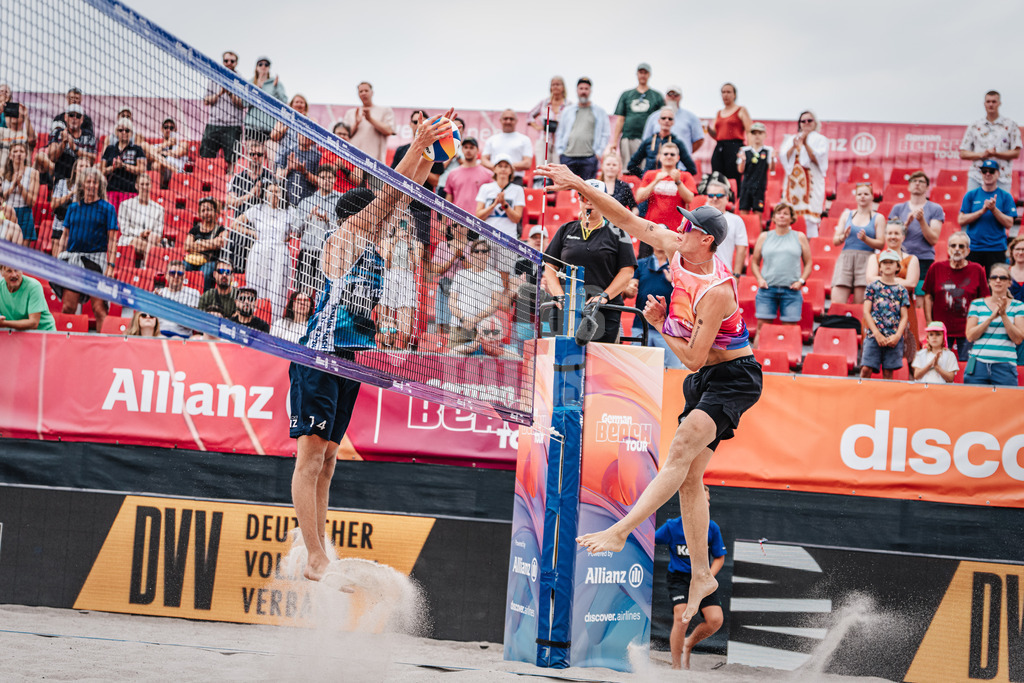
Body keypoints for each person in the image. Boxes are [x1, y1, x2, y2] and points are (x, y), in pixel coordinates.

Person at [535, 163, 760, 628]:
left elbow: (695, 358)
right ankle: (701, 575)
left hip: (735, 377)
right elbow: (629, 221)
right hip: (705, 381)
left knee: (677, 451)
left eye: (691, 226)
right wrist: (580, 186)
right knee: (692, 478)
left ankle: (620, 531)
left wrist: (658, 325)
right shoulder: (678, 246)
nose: (682, 227)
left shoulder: (718, 290)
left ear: (708, 242)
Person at [287, 112, 451, 582]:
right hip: (319, 354)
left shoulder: (372, 247)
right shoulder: (342, 238)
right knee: (310, 455)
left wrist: (426, 153)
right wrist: (415, 144)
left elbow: (404, 198)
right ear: (359, 217)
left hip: (349, 357)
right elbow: (391, 198)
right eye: (377, 217)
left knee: (331, 458)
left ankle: (315, 543)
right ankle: (316, 556)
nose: (385, 223)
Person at [543, 178, 637, 344]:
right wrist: (558, 294)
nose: (589, 203)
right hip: (567, 308)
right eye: (585, 198)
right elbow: (550, 265)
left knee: (599, 365)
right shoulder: (566, 229)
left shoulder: (619, 233)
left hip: (604, 310)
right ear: (579, 200)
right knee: (564, 360)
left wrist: (604, 297)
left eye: (595, 198)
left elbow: (627, 271)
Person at [655, 485, 726, 670]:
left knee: (716, 620)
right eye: (704, 500)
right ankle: (676, 667)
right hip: (680, 579)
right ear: (689, 502)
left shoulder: (712, 527)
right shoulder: (672, 527)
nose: (707, 504)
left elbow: (720, 557)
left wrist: (707, 577)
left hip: (702, 577)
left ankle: (688, 643)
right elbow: (649, 538)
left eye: (708, 501)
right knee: (682, 617)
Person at [60, 167, 117, 332]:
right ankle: (64, 345)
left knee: (99, 310)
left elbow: (113, 239)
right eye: (88, 181)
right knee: (68, 308)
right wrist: (57, 259)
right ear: (82, 184)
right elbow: (65, 235)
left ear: (99, 185)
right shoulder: (73, 208)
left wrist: (111, 265)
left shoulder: (108, 208)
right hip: (73, 261)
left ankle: (103, 348)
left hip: (96, 262)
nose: (91, 185)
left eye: (95, 182)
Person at [749, 202, 812, 345]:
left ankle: (787, 362)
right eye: (779, 213)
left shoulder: (799, 237)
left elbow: (809, 263)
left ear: (791, 218)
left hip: (791, 291)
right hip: (767, 290)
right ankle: (757, 362)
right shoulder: (764, 236)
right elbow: (754, 262)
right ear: (774, 217)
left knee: (790, 330)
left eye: (786, 213)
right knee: (762, 329)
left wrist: (801, 281)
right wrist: (759, 279)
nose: (782, 216)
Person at [923, 232, 989, 361]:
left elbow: (984, 300)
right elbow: (928, 296)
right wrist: (930, 323)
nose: (957, 249)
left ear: (968, 250)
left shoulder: (977, 270)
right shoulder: (936, 268)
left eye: (961, 246)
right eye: (953, 246)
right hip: (940, 330)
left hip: (968, 330)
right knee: (939, 365)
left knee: (966, 367)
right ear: (948, 249)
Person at [233, 182, 291, 318]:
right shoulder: (257, 209)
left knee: (277, 289)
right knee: (256, 285)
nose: (274, 194)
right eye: (271, 191)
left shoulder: (289, 212)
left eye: (277, 191)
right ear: (265, 193)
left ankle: (275, 320)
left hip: (280, 254)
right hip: (259, 251)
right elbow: (235, 223)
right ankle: (255, 317)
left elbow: (298, 231)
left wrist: (288, 237)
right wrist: (252, 233)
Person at [866, 218, 922, 359]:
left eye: (896, 233)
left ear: (903, 237)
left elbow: (911, 283)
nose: (892, 236)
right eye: (889, 233)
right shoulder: (875, 257)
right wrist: (898, 280)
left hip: (903, 308)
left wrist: (885, 279)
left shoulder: (912, 259)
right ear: (884, 236)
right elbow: (870, 279)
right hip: (877, 310)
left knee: (908, 350)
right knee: (872, 354)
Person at [390, 110, 446, 245]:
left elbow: (434, 181)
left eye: (424, 122)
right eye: (416, 122)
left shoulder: (435, 153)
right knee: (392, 243)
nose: (419, 125)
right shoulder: (401, 150)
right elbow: (394, 176)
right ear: (410, 124)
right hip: (398, 203)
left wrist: (421, 163)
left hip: (421, 206)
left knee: (422, 248)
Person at [964, 263, 1024, 385]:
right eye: (994, 277)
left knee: (1006, 403)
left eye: (1002, 278)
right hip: (978, 364)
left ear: (1009, 282)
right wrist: (991, 318)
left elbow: (1018, 339)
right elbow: (970, 336)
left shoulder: (1018, 306)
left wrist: (1003, 316)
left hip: (1005, 365)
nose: (998, 280)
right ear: (989, 282)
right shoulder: (977, 304)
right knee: (974, 402)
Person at [625, 245, 681, 369]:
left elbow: (688, 293)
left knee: (673, 369)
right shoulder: (640, 264)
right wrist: (630, 289)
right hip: (641, 326)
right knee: (636, 367)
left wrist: (675, 281)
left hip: (669, 329)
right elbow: (629, 291)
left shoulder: (677, 267)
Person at [225, 138, 277, 271]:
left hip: (262, 233)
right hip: (241, 231)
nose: (255, 157)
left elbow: (276, 204)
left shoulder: (270, 178)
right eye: (252, 154)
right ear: (247, 156)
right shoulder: (238, 178)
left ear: (263, 157)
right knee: (238, 270)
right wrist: (250, 195)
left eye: (259, 155)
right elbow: (230, 202)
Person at [957, 158, 1017, 273]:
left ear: (998, 174)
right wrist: (982, 211)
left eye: (991, 171)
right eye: (984, 171)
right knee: (972, 283)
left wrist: (994, 210)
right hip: (973, 248)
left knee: (996, 282)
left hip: (996, 248)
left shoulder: (1005, 196)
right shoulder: (971, 195)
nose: (988, 174)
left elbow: (1009, 223)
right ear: (981, 173)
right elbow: (961, 220)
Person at [830, 183, 885, 304]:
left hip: (867, 259)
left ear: (872, 197)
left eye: (866, 194)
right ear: (855, 197)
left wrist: (866, 239)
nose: (862, 197)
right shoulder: (847, 214)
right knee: (837, 301)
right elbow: (835, 241)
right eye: (859, 194)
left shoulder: (878, 217)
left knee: (860, 304)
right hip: (846, 258)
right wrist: (843, 236)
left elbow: (881, 244)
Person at [860, 250, 911, 380]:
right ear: (880, 267)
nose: (887, 265)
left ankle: (886, 399)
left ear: (898, 267)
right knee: (866, 369)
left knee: (888, 372)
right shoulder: (872, 287)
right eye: (884, 262)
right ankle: (861, 396)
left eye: (891, 262)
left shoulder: (901, 290)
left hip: (893, 337)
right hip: (873, 335)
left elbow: (904, 316)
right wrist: (877, 334)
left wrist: (897, 336)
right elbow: (866, 311)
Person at [291, 165, 341, 294]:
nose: (326, 180)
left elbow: (343, 231)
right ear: (317, 179)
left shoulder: (341, 201)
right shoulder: (306, 201)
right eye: (323, 177)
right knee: (302, 293)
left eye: (329, 177)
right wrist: (309, 217)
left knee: (323, 293)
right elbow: (296, 231)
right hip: (307, 252)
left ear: (335, 180)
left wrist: (328, 222)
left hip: (327, 255)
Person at [778, 110, 829, 237]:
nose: (806, 123)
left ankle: (810, 248)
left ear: (815, 122)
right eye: (803, 121)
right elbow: (784, 157)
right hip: (793, 182)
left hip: (811, 181)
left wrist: (805, 144)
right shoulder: (791, 139)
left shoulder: (820, 139)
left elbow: (817, 159)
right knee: (792, 212)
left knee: (810, 215)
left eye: (809, 120)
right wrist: (794, 146)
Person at [959, 91, 1021, 193]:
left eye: (994, 101)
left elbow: (1016, 152)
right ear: (984, 104)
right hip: (977, 176)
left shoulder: (1010, 125)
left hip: (1002, 177)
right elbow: (963, 153)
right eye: (988, 101)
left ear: (999, 103)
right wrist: (982, 154)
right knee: (973, 208)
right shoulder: (975, 126)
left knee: (1000, 208)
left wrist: (996, 154)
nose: (991, 104)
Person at [887, 171, 944, 280]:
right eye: (914, 181)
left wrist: (921, 221)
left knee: (920, 293)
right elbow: (891, 237)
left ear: (927, 187)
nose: (917, 184)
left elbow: (933, 240)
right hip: (900, 258)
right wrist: (907, 224)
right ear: (909, 186)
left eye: (921, 181)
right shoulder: (897, 208)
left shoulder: (935, 209)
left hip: (924, 258)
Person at [608, 63, 665, 167]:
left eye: (645, 73)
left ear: (649, 75)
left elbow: (663, 120)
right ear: (637, 74)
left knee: (644, 169)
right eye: (641, 72)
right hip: (628, 137)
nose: (643, 75)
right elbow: (620, 119)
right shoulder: (627, 95)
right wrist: (614, 141)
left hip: (647, 139)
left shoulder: (657, 96)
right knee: (628, 168)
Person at [449, 238, 504, 344]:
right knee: (453, 359)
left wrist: (474, 320)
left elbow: (495, 304)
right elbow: (451, 302)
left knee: (482, 360)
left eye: (484, 251)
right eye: (476, 251)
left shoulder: (495, 275)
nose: (480, 254)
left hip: (484, 329)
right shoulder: (461, 274)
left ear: (488, 254)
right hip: (459, 326)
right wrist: (463, 319)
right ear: (471, 254)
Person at [378, 217, 422, 349]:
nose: (404, 225)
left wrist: (408, 244)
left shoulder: (417, 244)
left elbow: (414, 266)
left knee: (406, 327)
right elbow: (386, 262)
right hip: (389, 276)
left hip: (407, 278)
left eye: (406, 222)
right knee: (384, 321)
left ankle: (401, 348)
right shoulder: (387, 241)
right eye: (401, 222)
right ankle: (383, 348)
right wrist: (396, 239)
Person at [554, 77, 610, 180]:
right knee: (566, 191)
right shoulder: (568, 111)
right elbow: (560, 132)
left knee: (587, 190)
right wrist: (560, 151)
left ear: (590, 91)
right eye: (581, 88)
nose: (583, 91)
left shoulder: (599, 112)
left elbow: (605, 134)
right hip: (568, 156)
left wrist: (598, 153)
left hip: (589, 158)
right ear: (577, 90)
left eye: (586, 89)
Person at [200, 51, 247, 170]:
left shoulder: (241, 80)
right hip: (214, 124)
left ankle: (230, 182)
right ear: (223, 61)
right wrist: (220, 93)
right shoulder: (214, 77)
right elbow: (206, 100)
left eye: (232, 61)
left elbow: (243, 104)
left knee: (232, 159)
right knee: (206, 155)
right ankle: (207, 180)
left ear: (236, 63)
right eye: (226, 61)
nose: (229, 63)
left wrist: (230, 93)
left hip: (233, 125)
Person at [635, 143, 696, 230]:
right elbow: (639, 197)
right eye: (665, 154)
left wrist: (678, 182)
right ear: (660, 157)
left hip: (676, 227)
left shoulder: (685, 175)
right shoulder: (650, 174)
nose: (669, 156)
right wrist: (655, 181)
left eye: (672, 154)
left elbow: (690, 199)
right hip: (652, 226)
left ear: (678, 158)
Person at [426, 219, 469, 337]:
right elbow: (436, 270)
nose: (458, 228)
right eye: (455, 225)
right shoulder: (442, 245)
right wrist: (453, 257)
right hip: (445, 286)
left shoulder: (472, 247)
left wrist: (462, 258)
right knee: (442, 323)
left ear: (468, 228)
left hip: (465, 289)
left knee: (461, 325)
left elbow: (475, 270)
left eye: (462, 225)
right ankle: (441, 346)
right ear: (450, 228)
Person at [627, 107, 696, 177]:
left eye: (670, 119)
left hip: (670, 183)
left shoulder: (677, 143)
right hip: (651, 183)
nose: (667, 121)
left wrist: (677, 177)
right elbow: (631, 165)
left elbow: (692, 169)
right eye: (663, 118)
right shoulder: (648, 141)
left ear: (673, 122)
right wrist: (644, 176)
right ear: (659, 121)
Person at [642, 85, 704, 157]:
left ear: (680, 97)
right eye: (670, 94)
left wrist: (684, 154)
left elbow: (699, 140)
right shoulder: (653, 117)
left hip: (681, 165)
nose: (672, 97)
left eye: (676, 95)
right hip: (658, 164)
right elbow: (646, 140)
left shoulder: (691, 117)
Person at [99, 117, 147, 211]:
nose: (124, 132)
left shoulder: (137, 149)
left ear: (131, 133)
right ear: (116, 132)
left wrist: (124, 166)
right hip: (111, 191)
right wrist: (113, 168)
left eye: (127, 130)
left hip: (130, 192)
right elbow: (101, 170)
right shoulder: (110, 149)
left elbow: (142, 169)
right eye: (120, 130)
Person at [116, 173, 163, 266]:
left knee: (153, 239)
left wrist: (149, 235)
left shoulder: (159, 209)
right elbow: (125, 229)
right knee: (157, 248)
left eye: (147, 184)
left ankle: (145, 268)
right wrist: (141, 233)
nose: (144, 187)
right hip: (130, 238)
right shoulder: (125, 205)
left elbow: (159, 232)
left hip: (151, 240)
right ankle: (147, 269)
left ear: (151, 186)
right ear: (136, 186)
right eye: (142, 184)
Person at [707, 83, 751, 183]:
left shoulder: (741, 110)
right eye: (723, 92)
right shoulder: (719, 113)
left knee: (733, 176)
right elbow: (716, 135)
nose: (725, 95)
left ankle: (734, 197)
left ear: (734, 95)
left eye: (728, 92)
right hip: (720, 147)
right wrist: (708, 128)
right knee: (717, 175)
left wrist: (750, 150)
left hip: (735, 146)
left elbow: (749, 131)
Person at [704, 179, 748, 276]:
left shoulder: (736, 220)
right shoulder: (697, 218)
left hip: (724, 274)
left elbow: (741, 250)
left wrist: (736, 275)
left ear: (727, 198)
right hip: (700, 273)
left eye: (719, 196)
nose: (715, 198)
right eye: (711, 195)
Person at [342, 81, 395, 163]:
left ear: (372, 92)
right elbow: (343, 136)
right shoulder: (350, 113)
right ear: (358, 94)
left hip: (375, 164)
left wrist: (369, 119)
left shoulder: (385, 110)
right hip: (352, 161)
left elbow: (389, 130)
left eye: (366, 91)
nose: (363, 93)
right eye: (361, 91)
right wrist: (356, 124)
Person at [475, 154, 525, 238]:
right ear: (495, 169)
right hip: (487, 237)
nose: (503, 169)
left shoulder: (518, 190)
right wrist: (494, 205)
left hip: (508, 238)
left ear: (511, 170)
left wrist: (504, 204)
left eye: (506, 166)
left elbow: (516, 219)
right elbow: (479, 216)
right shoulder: (485, 188)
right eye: (500, 166)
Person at [184, 197, 228, 290]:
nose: (206, 213)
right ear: (199, 214)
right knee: (183, 266)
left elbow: (219, 243)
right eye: (203, 210)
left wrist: (198, 243)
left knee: (206, 271)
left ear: (215, 212)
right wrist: (210, 244)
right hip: (193, 260)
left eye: (209, 210)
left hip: (211, 262)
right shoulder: (195, 229)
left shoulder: (221, 229)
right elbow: (187, 246)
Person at [47, 103, 97, 185]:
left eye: (78, 116)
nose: (74, 118)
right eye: (71, 115)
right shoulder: (57, 133)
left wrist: (75, 148)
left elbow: (92, 159)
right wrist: (63, 143)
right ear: (65, 117)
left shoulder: (88, 136)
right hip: (61, 180)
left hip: (82, 181)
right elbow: (52, 157)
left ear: (82, 120)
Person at [1, 142, 40, 244]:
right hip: (5, 213)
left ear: (26, 155)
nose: (18, 154)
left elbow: (31, 202)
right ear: (10, 155)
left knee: (21, 255)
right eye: (15, 151)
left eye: (21, 151)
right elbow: (1, 198)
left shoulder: (33, 173)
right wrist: (13, 185)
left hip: (25, 214)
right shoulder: (2, 173)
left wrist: (20, 185)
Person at [528, 76, 570, 166]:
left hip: (561, 142)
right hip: (544, 139)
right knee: (542, 167)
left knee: (558, 168)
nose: (555, 87)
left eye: (558, 84)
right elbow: (530, 115)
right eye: (553, 85)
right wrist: (538, 127)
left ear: (563, 87)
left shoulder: (568, 105)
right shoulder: (544, 103)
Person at [49, 158, 88, 257]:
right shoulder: (63, 183)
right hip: (59, 226)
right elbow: (53, 205)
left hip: (76, 231)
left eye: (87, 166)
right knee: (56, 260)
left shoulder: (91, 189)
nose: (84, 169)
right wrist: (70, 194)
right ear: (75, 169)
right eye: (81, 166)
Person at [481, 110, 533, 183]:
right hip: (495, 181)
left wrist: (506, 167)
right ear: (500, 120)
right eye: (505, 119)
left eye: (511, 119)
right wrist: (498, 168)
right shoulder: (492, 139)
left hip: (515, 180)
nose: (508, 121)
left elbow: (527, 163)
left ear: (516, 121)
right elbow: (483, 160)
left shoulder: (525, 139)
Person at [0, 264, 56, 331]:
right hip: (16, 334)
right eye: (9, 271)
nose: (14, 275)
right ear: (1, 273)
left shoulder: (34, 286)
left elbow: (33, 323)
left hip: (43, 333)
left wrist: (5, 323)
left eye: (16, 270)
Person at [443, 137, 491, 214]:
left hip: (478, 221)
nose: (468, 150)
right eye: (466, 147)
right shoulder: (452, 174)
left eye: (471, 147)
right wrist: (444, 223)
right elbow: (448, 200)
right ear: (462, 149)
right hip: (456, 221)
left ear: (477, 150)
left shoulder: (488, 174)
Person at [244, 56, 287, 143]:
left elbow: (284, 102)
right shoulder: (250, 83)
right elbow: (244, 103)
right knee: (253, 154)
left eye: (266, 65)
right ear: (256, 67)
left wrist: (275, 88)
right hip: (252, 126)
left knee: (269, 155)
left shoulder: (276, 83)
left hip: (270, 127)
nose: (263, 66)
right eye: (260, 64)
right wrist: (256, 90)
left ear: (269, 68)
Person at [735, 122, 774, 215]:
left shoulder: (768, 150)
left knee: (758, 214)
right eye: (754, 133)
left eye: (760, 133)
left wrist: (772, 158)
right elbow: (740, 170)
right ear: (750, 135)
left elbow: (772, 169)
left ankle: (758, 230)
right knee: (744, 212)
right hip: (746, 187)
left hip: (759, 187)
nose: (757, 136)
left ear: (765, 135)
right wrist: (743, 160)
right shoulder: (744, 150)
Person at [155, 260, 200, 338]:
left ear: (184, 276)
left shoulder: (193, 293)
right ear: (166, 276)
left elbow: (191, 324)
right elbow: (152, 320)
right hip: (160, 334)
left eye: (180, 273)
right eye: (172, 273)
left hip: (182, 336)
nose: (176, 276)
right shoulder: (158, 293)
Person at [276, 134, 321, 207]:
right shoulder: (289, 152)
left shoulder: (317, 156)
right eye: (302, 134)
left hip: (307, 203)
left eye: (307, 134)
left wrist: (304, 172)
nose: (305, 137)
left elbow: (320, 182)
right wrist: (288, 168)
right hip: (287, 201)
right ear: (297, 134)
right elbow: (278, 176)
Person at [320, 121, 363, 193]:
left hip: (348, 195)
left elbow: (358, 180)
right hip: (329, 194)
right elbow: (322, 177)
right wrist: (334, 169)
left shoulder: (356, 156)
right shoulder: (326, 154)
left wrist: (344, 168)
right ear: (333, 136)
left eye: (345, 134)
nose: (342, 136)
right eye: (339, 134)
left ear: (349, 138)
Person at [152, 117, 188, 184]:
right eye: (166, 127)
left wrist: (164, 152)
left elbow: (177, 154)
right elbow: (150, 153)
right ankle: (159, 189)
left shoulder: (182, 144)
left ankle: (176, 171)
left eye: (171, 128)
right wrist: (166, 144)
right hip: (163, 173)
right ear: (162, 129)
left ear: (175, 130)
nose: (168, 130)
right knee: (155, 164)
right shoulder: (158, 146)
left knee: (156, 158)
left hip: (178, 176)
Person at [1009, 235, 1024, 303]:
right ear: (1012, 252)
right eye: (1017, 249)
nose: (1020, 253)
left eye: (1023, 249)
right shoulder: (1005, 272)